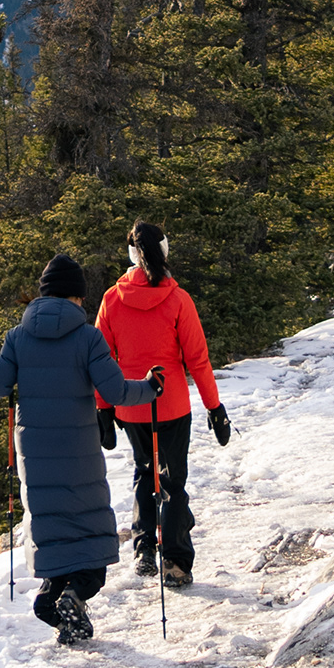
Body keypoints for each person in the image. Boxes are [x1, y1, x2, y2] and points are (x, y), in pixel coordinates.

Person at [0, 253, 163, 646]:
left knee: (52, 526)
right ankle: (76, 593)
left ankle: (52, 599)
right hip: (79, 451)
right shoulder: (87, 337)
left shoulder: (17, 337)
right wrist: (150, 386)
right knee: (88, 545)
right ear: (78, 298)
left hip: (34, 452)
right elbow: (115, 392)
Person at [96, 220, 231, 584]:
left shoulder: (111, 299)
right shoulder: (177, 299)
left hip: (129, 404)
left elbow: (101, 359)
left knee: (144, 470)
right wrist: (215, 408)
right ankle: (175, 562)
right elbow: (197, 360)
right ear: (164, 251)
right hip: (171, 405)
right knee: (172, 481)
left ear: (130, 254)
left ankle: (144, 548)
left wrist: (103, 409)